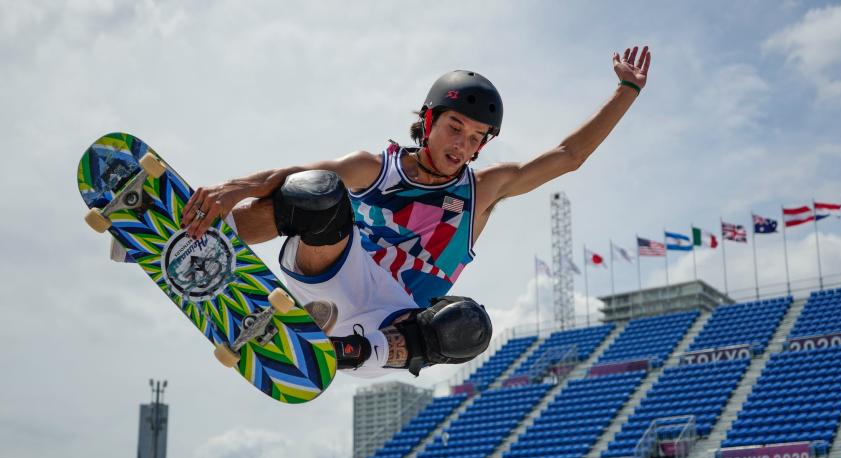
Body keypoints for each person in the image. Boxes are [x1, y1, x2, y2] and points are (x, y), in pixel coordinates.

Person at [180, 46, 652, 379]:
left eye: (475, 139)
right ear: (427, 120)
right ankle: (193, 237)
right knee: (314, 192)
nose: (462, 145)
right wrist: (232, 188)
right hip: (333, 271)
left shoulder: (483, 189)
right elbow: (293, 173)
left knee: (470, 326)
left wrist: (626, 90)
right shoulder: (375, 167)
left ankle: (336, 351)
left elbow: (569, 156)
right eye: (455, 128)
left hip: (393, 331)